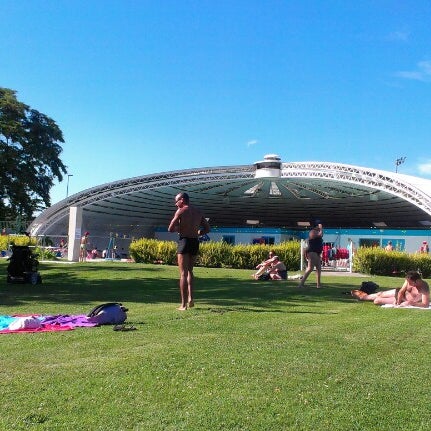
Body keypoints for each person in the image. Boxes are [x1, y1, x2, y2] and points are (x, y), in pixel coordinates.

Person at [168, 192, 210, 311]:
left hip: (184, 241)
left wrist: (180, 228)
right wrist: (198, 232)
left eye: (176, 201)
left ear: (182, 200)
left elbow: (170, 228)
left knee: (183, 273)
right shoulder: (198, 211)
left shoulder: (181, 210)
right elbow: (207, 229)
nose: (176, 204)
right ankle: (191, 298)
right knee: (190, 271)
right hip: (194, 242)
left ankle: (183, 305)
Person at [351, 271, 430, 307]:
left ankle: (364, 296)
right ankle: (362, 296)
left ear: (417, 281)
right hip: (399, 295)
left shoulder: (424, 287)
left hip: (405, 300)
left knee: (377, 301)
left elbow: (425, 304)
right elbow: (401, 291)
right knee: (380, 294)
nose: (408, 284)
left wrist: (411, 303)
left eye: (410, 283)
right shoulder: (409, 280)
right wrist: (398, 301)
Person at [298, 221, 323, 288]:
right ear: (316, 226)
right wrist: (321, 228)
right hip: (312, 252)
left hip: (317, 253)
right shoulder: (312, 231)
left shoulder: (317, 232)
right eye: (319, 225)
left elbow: (320, 235)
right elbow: (320, 235)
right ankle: (301, 284)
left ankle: (318, 285)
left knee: (319, 268)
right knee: (310, 268)